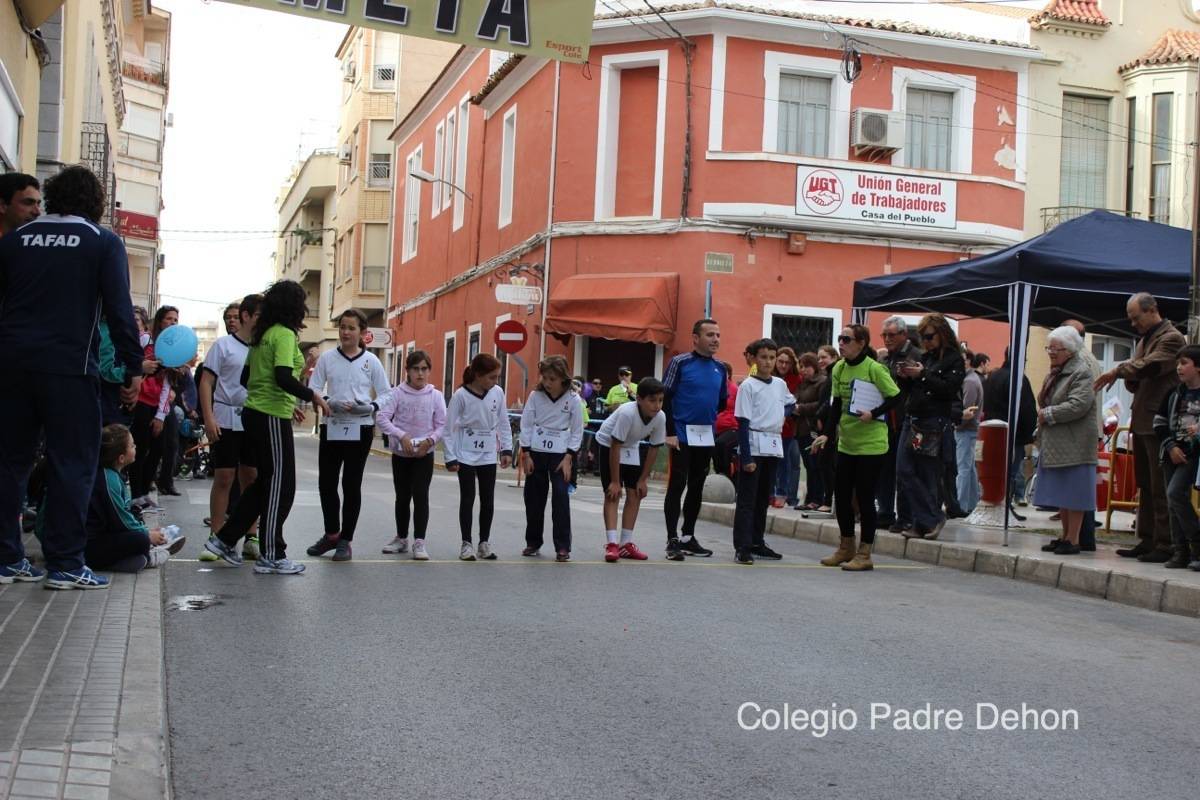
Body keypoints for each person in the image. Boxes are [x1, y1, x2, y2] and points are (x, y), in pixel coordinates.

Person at [0, 165, 143, 589]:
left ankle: (7, 559)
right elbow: (120, 310)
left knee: (9, 464)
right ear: (95, 203)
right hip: (70, 369)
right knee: (72, 463)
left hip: (11, 365)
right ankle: (64, 563)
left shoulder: (14, 241)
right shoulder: (102, 242)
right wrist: (132, 366)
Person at [203, 280, 333, 574]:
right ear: (293, 306)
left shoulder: (262, 336)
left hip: (256, 413)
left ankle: (223, 539)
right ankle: (271, 553)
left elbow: (247, 378)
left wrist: (279, 399)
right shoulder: (284, 335)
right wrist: (313, 396)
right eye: (301, 303)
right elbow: (284, 377)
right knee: (281, 487)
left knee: (264, 485)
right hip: (270, 416)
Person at [1095, 293, 1186, 563]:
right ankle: (1146, 539)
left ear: (1152, 310)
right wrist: (1129, 377)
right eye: (1131, 319)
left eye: (1136, 318)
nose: (1134, 324)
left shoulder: (1172, 338)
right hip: (1142, 420)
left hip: (1159, 423)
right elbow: (1139, 376)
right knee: (1144, 485)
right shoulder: (1145, 339)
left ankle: (1166, 543)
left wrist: (1118, 371)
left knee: (1160, 486)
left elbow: (1151, 366)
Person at [305, 309, 391, 562]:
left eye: (351, 328)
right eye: (342, 327)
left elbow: (387, 393)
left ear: (362, 333)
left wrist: (370, 407)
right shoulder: (328, 358)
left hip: (360, 427)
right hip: (333, 424)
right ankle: (331, 534)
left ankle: (346, 540)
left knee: (351, 484)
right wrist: (327, 401)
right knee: (327, 482)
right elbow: (315, 387)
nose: (345, 332)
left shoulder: (371, 362)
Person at [813, 325, 901, 572]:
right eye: (839, 339)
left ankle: (865, 553)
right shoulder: (839, 368)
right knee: (840, 497)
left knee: (864, 497)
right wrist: (826, 435)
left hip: (872, 445)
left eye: (846, 339)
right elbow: (836, 405)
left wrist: (874, 414)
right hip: (847, 443)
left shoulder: (875, 368)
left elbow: (896, 397)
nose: (840, 343)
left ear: (861, 343)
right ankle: (846, 546)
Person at [198, 294, 262, 561]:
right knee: (224, 477)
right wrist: (209, 418)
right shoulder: (223, 345)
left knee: (251, 478)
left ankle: (251, 536)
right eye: (259, 314)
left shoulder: (262, 346)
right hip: (224, 417)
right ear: (247, 316)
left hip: (253, 417)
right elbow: (206, 382)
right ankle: (216, 534)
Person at [662, 319, 727, 560]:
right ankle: (672, 540)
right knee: (677, 484)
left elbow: (720, 402)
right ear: (695, 338)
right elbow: (665, 397)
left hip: (705, 435)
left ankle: (688, 536)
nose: (715, 339)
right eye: (710, 334)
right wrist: (669, 432)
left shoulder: (720, 368)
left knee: (697, 487)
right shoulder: (680, 363)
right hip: (680, 435)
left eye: (718, 335)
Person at [895, 314, 964, 539]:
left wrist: (922, 375)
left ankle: (924, 522)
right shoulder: (926, 357)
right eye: (922, 337)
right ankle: (930, 517)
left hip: (933, 421)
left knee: (927, 473)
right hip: (913, 418)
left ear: (942, 334)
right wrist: (905, 376)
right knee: (904, 469)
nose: (925, 341)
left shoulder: (954, 360)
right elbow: (910, 391)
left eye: (929, 336)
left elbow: (948, 389)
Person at [1033, 327, 1098, 556]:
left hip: (1076, 442)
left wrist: (1048, 414)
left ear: (1069, 351)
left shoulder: (1082, 371)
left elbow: (1079, 405)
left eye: (1055, 348)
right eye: (1049, 347)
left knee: (1075, 492)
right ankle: (1064, 536)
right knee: (1062, 492)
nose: (1050, 352)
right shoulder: (1057, 371)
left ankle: (1074, 539)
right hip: (1058, 441)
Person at [85, 425, 184, 572]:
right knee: (140, 540)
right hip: (89, 546)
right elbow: (120, 519)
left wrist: (144, 530)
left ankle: (140, 557)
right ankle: (150, 555)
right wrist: (146, 535)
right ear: (121, 458)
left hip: (102, 537)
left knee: (139, 537)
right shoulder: (108, 478)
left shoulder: (112, 475)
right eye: (132, 445)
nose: (135, 447)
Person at [377, 350, 446, 560]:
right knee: (402, 497)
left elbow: (442, 424)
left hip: (424, 454)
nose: (420, 373)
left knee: (421, 495)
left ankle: (420, 541)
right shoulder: (396, 393)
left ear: (429, 371)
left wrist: (430, 441)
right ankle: (401, 538)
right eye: (416, 369)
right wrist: (401, 435)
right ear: (407, 370)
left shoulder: (436, 395)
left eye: (424, 369)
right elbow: (381, 417)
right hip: (401, 454)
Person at [444, 353, 513, 561]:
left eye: (497, 377)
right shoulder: (460, 396)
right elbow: (447, 429)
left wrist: (507, 450)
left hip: (488, 452)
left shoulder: (497, 393)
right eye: (492, 377)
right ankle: (467, 543)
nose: (495, 382)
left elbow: (503, 422)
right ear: (478, 375)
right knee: (468, 498)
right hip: (465, 452)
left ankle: (484, 542)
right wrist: (450, 457)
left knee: (488, 499)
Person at [732, 339, 792, 565]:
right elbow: (743, 422)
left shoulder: (779, 384)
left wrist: (782, 412)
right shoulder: (748, 386)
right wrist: (746, 456)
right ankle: (742, 546)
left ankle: (757, 541)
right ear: (754, 359)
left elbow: (790, 403)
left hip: (773, 444)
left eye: (772, 357)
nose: (768, 362)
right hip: (755, 442)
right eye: (763, 357)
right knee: (747, 498)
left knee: (763, 497)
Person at [594, 377, 666, 562]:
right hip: (609, 444)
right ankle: (612, 544)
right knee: (613, 494)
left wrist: (643, 479)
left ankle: (626, 544)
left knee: (635, 494)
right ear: (639, 399)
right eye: (652, 400)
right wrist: (616, 481)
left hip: (631, 445)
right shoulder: (627, 413)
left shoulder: (660, 417)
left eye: (660, 400)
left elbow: (654, 447)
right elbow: (615, 444)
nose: (656, 405)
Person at [520, 355, 584, 561]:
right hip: (537, 451)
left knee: (560, 498)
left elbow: (577, 430)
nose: (547, 383)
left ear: (563, 379)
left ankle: (563, 546)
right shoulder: (535, 396)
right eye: (545, 378)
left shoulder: (573, 400)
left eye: (552, 379)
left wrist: (569, 457)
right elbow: (527, 423)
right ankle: (533, 541)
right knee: (534, 499)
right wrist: (526, 452)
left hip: (560, 454)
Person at [1153, 345, 1200, 570]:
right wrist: (1170, 446)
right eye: (1178, 363)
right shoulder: (1174, 393)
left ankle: (1197, 544)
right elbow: (1159, 423)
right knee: (1173, 502)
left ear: (1198, 367)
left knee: (1175, 494)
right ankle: (1180, 550)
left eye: (1184, 363)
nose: (1179, 368)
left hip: (1193, 455)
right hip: (1172, 452)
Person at [128, 306, 177, 508]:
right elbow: (129, 363)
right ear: (159, 321)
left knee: (158, 449)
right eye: (168, 319)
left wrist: (160, 415)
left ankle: (145, 489)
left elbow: (167, 384)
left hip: (155, 406)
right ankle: (136, 494)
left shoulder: (170, 349)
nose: (172, 323)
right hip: (138, 402)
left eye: (175, 320)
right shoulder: (146, 340)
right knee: (139, 450)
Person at [982, 347, 1038, 514]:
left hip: (993, 431)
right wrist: (1029, 434)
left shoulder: (993, 376)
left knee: (996, 471)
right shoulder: (1019, 378)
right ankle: (1005, 507)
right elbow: (1027, 409)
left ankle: (995, 504)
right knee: (1011, 473)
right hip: (1014, 433)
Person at [877, 316, 919, 532]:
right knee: (885, 471)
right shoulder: (886, 359)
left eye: (891, 335)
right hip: (885, 422)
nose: (887, 339)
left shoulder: (914, 356)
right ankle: (885, 512)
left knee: (904, 471)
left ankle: (906, 516)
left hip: (906, 422)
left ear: (904, 334)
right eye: (884, 335)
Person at [1062, 319, 1102, 551]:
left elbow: (1078, 403)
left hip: (1080, 431)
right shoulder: (1084, 359)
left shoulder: (1082, 362)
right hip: (1082, 430)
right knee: (1079, 486)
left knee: (1079, 487)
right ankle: (1080, 537)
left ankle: (1081, 537)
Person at [793, 352, 826, 511]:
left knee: (815, 466)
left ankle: (817, 499)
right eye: (801, 366)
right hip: (801, 429)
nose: (804, 369)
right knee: (808, 465)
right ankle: (810, 498)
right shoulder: (803, 383)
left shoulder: (821, 382)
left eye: (807, 366)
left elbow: (821, 404)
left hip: (813, 428)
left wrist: (801, 408)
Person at [955, 350, 986, 515]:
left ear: (968, 361)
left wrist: (955, 423)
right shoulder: (971, 379)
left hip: (966, 430)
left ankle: (961, 505)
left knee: (964, 468)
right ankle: (972, 503)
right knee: (969, 467)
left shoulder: (969, 382)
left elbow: (967, 410)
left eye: (961, 359)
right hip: (969, 429)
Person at [771, 346, 802, 509]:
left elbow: (795, 402)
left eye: (787, 363)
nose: (783, 365)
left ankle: (782, 493)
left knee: (784, 461)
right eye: (780, 361)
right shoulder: (769, 376)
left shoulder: (797, 379)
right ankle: (769, 492)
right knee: (769, 460)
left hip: (787, 426)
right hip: (768, 425)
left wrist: (785, 414)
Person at [713, 362, 739, 478]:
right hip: (714, 427)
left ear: (729, 375)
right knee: (712, 449)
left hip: (731, 427)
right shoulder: (714, 387)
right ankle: (718, 474)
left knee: (721, 444)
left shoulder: (735, 389)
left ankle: (726, 475)